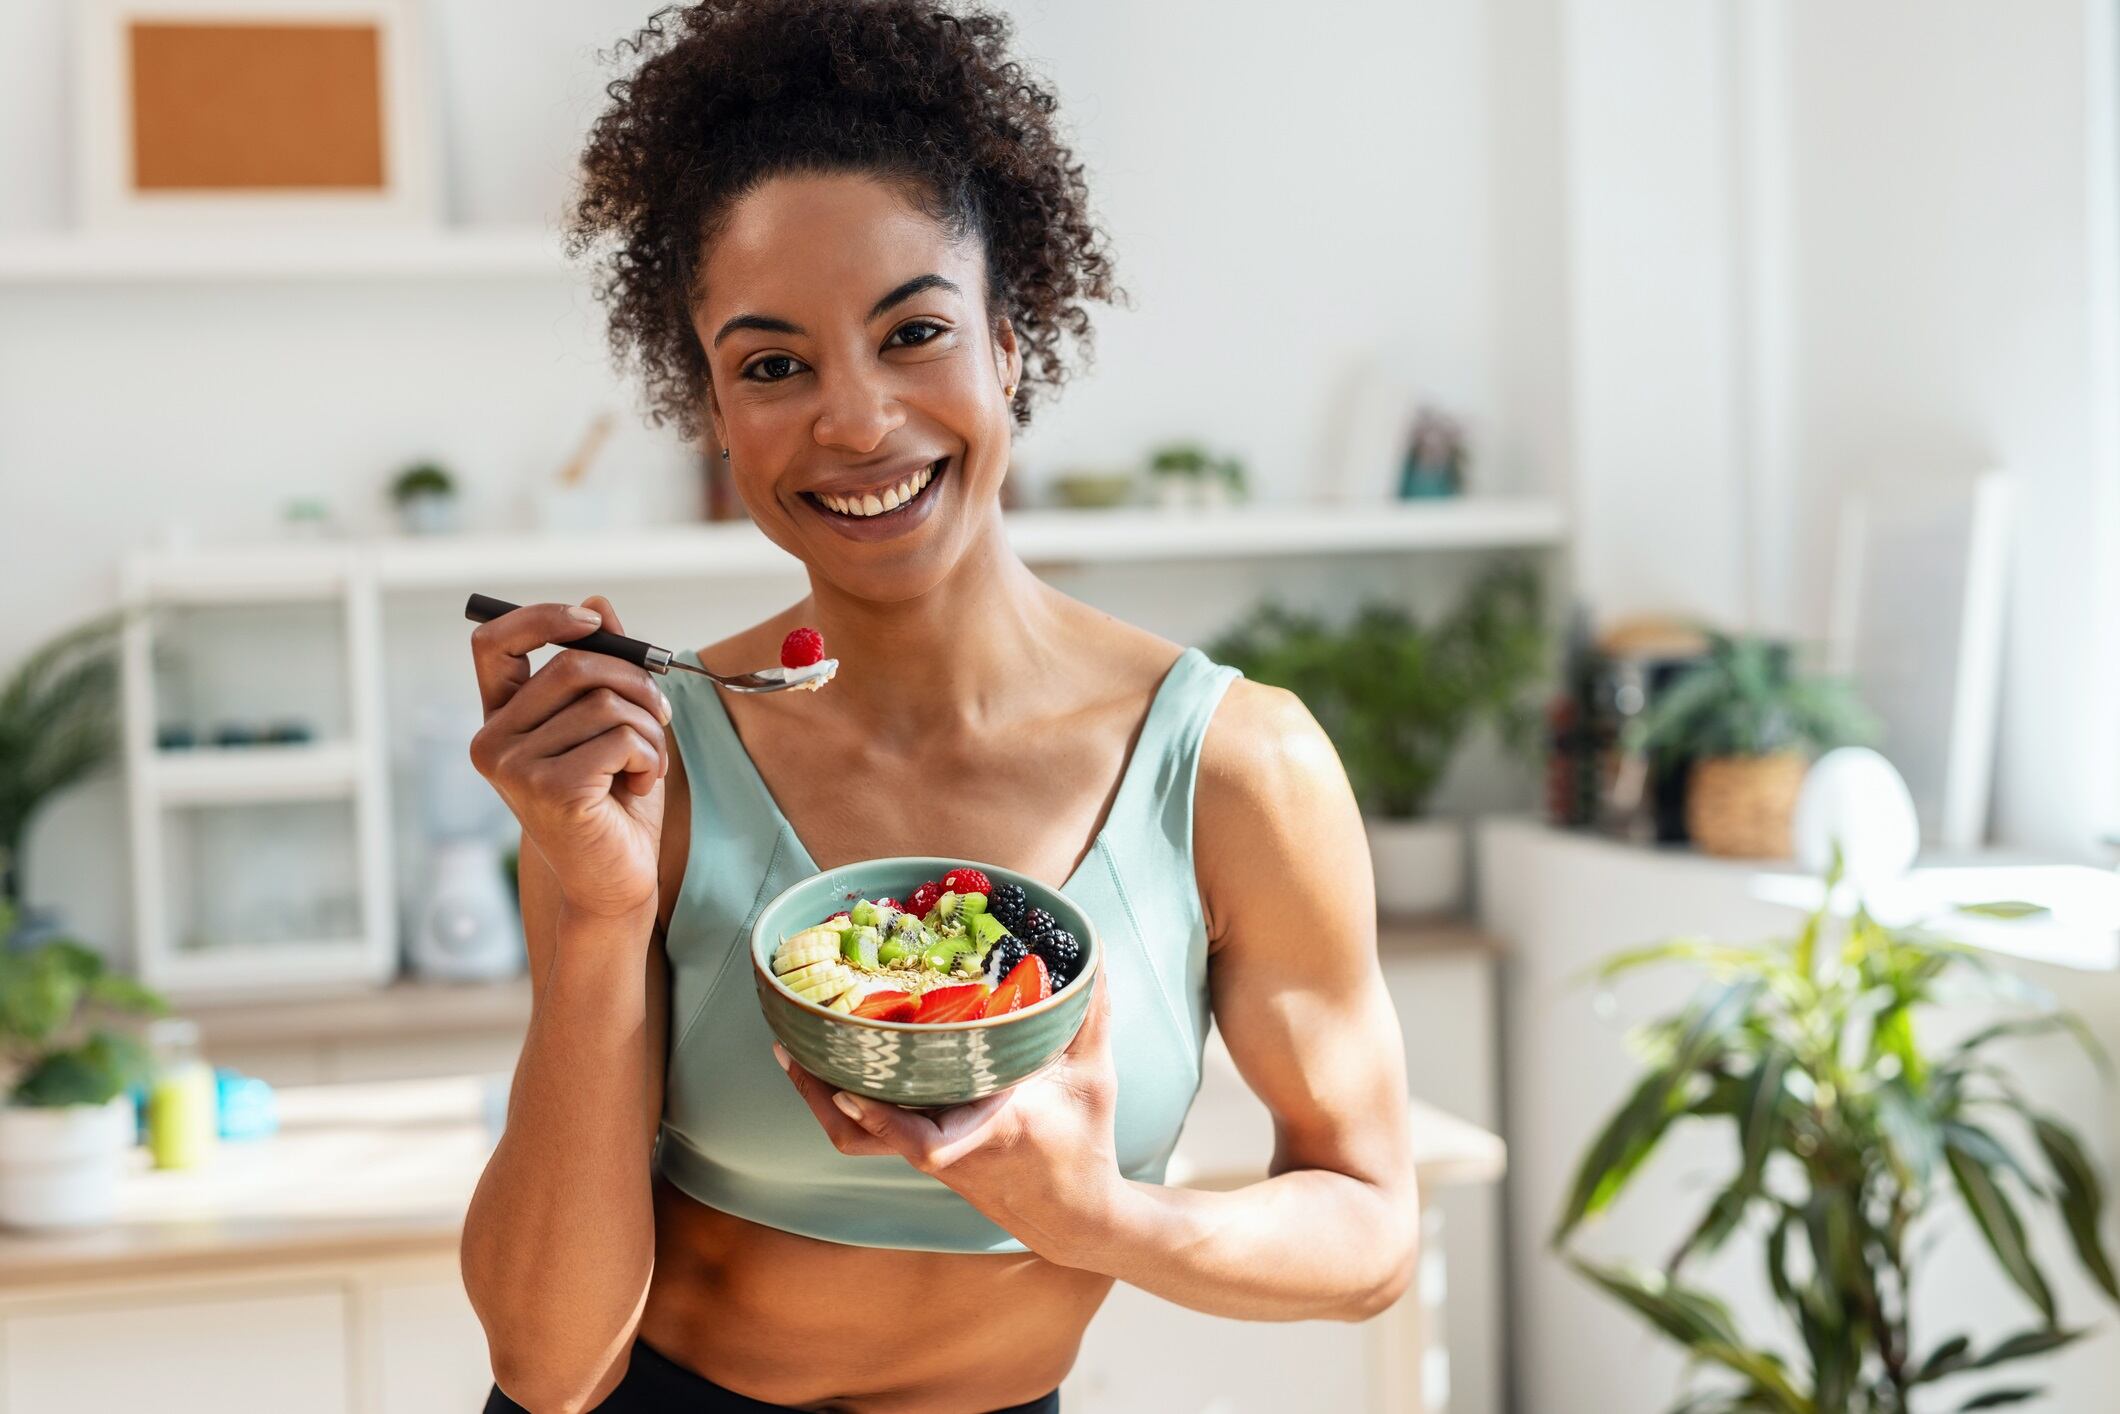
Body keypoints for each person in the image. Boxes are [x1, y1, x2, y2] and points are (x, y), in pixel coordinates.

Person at [462, 3, 1417, 1409]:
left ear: (1011, 349)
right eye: (773, 364)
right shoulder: (650, 770)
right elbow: (549, 1368)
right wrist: (598, 909)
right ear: (718, 415)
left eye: (914, 332)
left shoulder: (1234, 765)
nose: (854, 419)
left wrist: (1102, 1219)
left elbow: (1372, 1231)